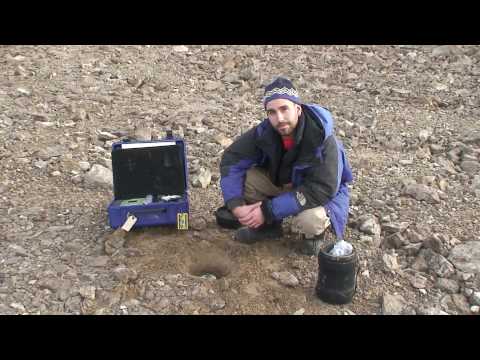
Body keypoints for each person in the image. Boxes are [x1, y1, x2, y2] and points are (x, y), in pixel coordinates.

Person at [219, 77, 353, 256]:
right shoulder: (265, 131)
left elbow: (323, 189)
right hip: (286, 184)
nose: (279, 118)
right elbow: (232, 159)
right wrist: (235, 205)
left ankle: (313, 236)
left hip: (319, 195)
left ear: (298, 109)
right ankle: (269, 228)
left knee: (310, 219)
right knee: (246, 180)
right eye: (272, 112)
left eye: (284, 109)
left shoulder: (322, 137)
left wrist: (267, 211)